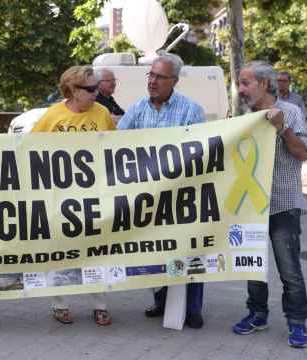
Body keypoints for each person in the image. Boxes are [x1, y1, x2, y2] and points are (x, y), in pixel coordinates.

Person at [117, 53, 206, 329]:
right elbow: (114, 146)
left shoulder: (192, 110)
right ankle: (162, 301)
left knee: (189, 250)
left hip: (180, 197)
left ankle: (192, 309)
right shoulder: (137, 109)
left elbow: (201, 150)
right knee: (155, 251)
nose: (153, 81)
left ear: (174, 81)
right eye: (151, 75)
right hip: (148, 197)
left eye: (160, 77)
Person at [232, 61, 307, 348]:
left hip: (283, 204)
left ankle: (297, 322)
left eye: (245, 83)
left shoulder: (291, 112)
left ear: (264, 84)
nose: (240, 89)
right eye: (239, 83)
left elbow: (303, 153)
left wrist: (282, 129)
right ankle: (257, 313)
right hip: (250, 204)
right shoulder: (243, 116)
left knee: (289, 268)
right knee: (252, 263)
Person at [31, 65, 115, 326]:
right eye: (90, 89)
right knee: (60, 250)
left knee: (96, 250)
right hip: (60, 197)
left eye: (96, 88)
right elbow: (30, 150)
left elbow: (116, 148)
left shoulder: (102, 114)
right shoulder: (52, 116)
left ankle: (100, 305)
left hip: (94, 196)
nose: (95, 93)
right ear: (72, 90)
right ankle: (60, 303)